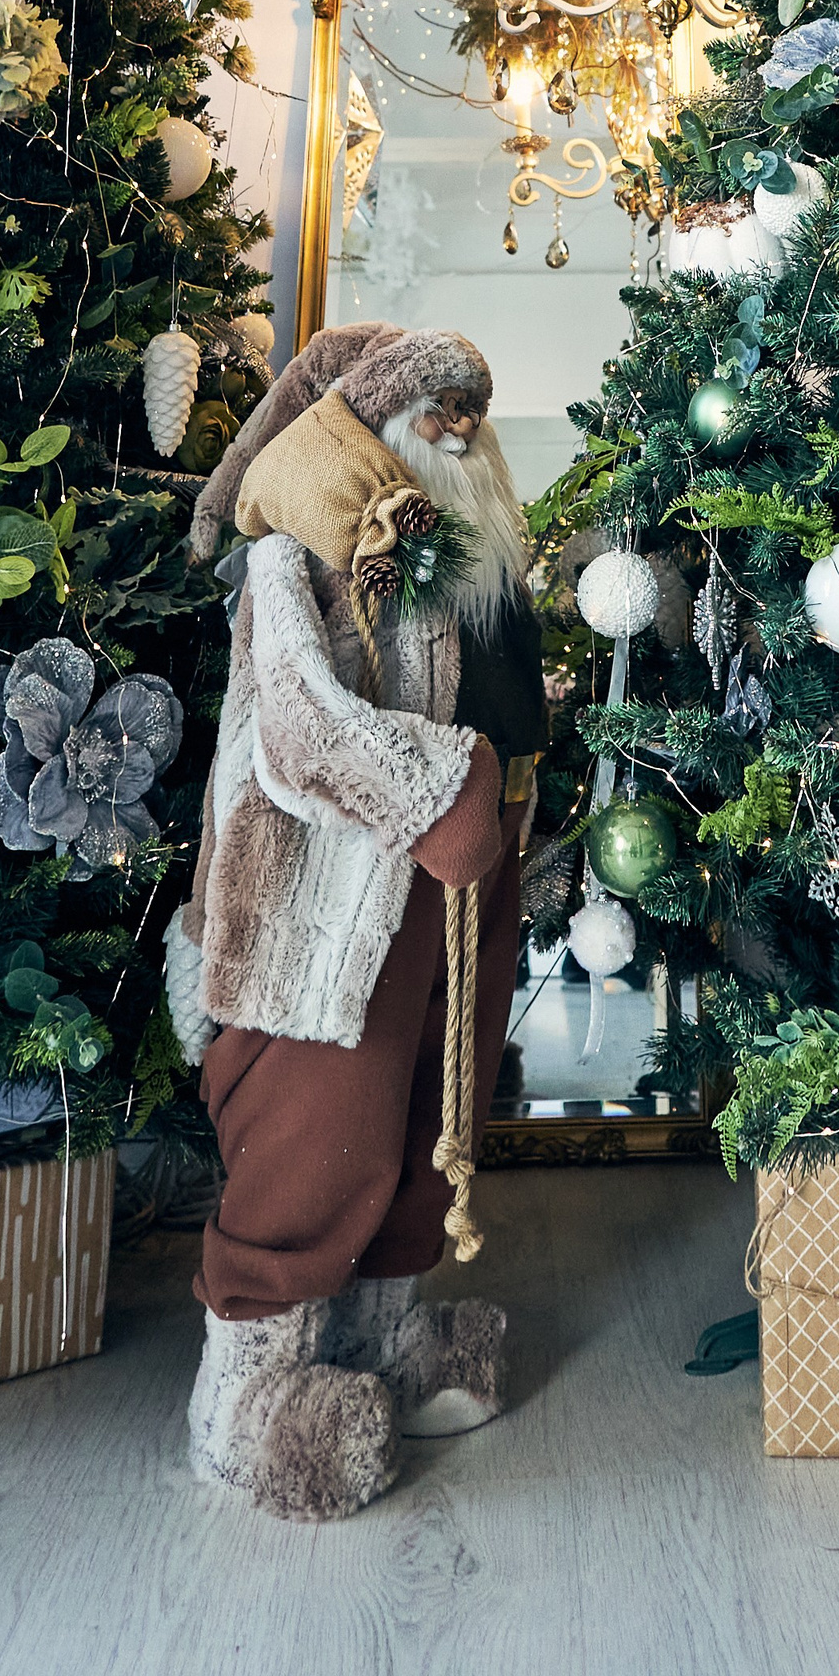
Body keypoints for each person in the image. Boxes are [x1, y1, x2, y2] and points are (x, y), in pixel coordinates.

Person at [168, 323, 550, 1521]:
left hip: (462, 893)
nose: (457, 428)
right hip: (321, 901)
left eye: (471, 408)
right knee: (315, 1128)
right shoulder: (292, 561)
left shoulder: (475, 562)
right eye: (435, 405)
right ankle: (246, 1395)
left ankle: (384, 1337)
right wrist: (437, 789)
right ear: (369, 420)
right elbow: (302, 723)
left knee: (432, 1116)